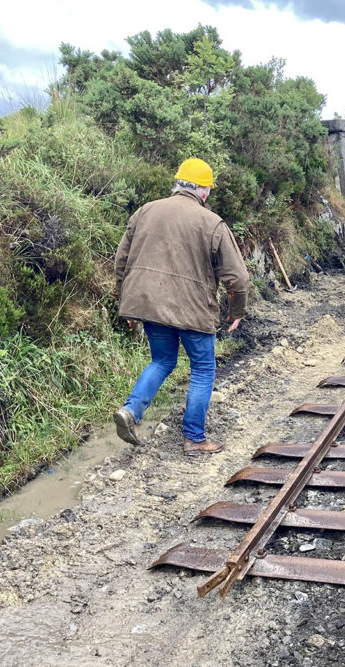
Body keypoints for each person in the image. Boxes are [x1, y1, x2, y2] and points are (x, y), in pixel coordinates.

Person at [113, 158, 249, 454]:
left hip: (150, 306)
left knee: (162, 361)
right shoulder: (212, 223)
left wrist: (126, 302)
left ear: (177, 184)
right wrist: (235, 311)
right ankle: (194, 439)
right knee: (202, 369)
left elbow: (121, 262)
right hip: (193, 311)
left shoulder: (145, 211)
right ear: (203, 190)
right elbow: (237, 277)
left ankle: (131, 412)